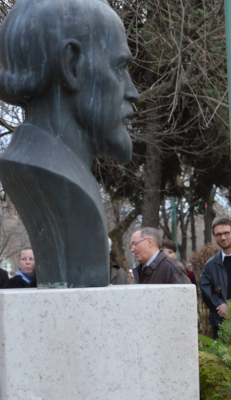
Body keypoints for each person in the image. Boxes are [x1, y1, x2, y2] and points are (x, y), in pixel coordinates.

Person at [0, 0, 139, 287]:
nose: (133, 92)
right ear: (71, 65)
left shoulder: (48, 170)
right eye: (119, 68)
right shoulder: (50, 177)